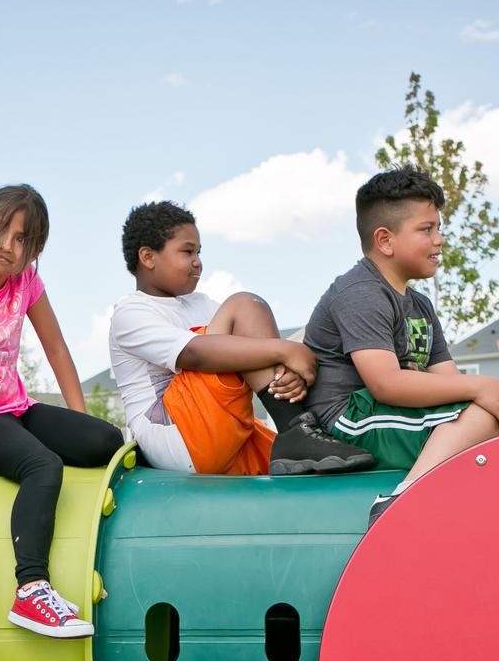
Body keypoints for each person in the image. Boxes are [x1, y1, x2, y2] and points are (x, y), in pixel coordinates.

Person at [0, 184, 124, 638]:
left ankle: (85, 435)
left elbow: (55, 347)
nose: (6, 245)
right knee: (43, 466)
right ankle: (31, 588)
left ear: (33, 252)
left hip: (13, 406)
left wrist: (81, 416)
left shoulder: (26, 282)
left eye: (22, 240)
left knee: (105, 441)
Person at [300, 167, 499, 527]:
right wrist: (482, 387)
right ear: (385, 241)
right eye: (426, 229)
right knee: (488, 410)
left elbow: (448, 381)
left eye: (438, 228)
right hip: (349, 420)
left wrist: (492, 397)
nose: (439, 240)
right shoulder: (360, 292)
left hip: (388, 411)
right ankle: (400, 501)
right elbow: (385, 383)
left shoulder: (419, 305)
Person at [107, 200, 373, 476]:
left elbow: (250, 351)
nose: (198, 261)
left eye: (199, 252)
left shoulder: (201, 304)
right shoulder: (131, 312)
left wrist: (282, 378)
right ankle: (294, 427)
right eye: (187, 252)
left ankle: (299, 427)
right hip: (173, 438)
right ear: (148, 257)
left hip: (220, 430)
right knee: (246, 304)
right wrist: (284, 351)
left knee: (246, 340)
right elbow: (195, 354)